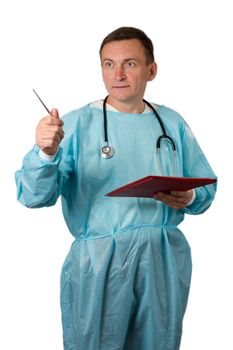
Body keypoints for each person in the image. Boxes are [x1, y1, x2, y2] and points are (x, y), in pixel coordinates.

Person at [15, 27, 217, 350]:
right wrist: (45, 153)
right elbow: (34, 195)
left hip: (161, 263)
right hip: (99, 265)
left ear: (151, 70)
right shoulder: (78, 124)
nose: (118, 74)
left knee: (159, 342)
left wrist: (189, 196)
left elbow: (206, 185)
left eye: (130, 64)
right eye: (109, 64)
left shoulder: (172, 123)